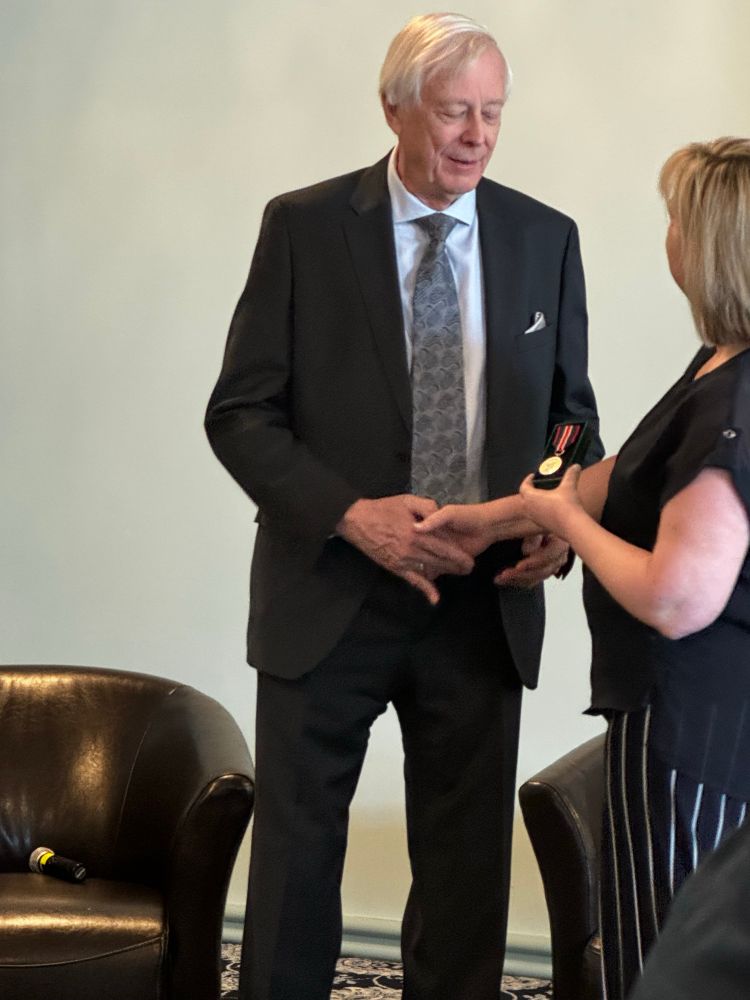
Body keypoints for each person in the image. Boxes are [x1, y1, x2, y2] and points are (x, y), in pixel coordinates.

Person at [205, 13, 601, 1000]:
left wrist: (553, 533)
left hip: (481, 602)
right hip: (329, 592)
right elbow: (241, 413)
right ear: (396, 107)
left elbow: (571, 432)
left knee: (467, 883)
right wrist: (351, 514)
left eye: (494, 113)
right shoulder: (303, 227)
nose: (478, 134)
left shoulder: (545, 238)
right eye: (457, 110)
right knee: (294, 878)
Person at [419, 137, 750, 1000]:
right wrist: (490, 519)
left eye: (676, 219)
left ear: (709, 247)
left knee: (670, 963)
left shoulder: (737, 400)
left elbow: (678, 597)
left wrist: (563, 522)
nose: (666, 235)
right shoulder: (718, 364)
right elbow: (616, 477)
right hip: (677, 715)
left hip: (697, 735)